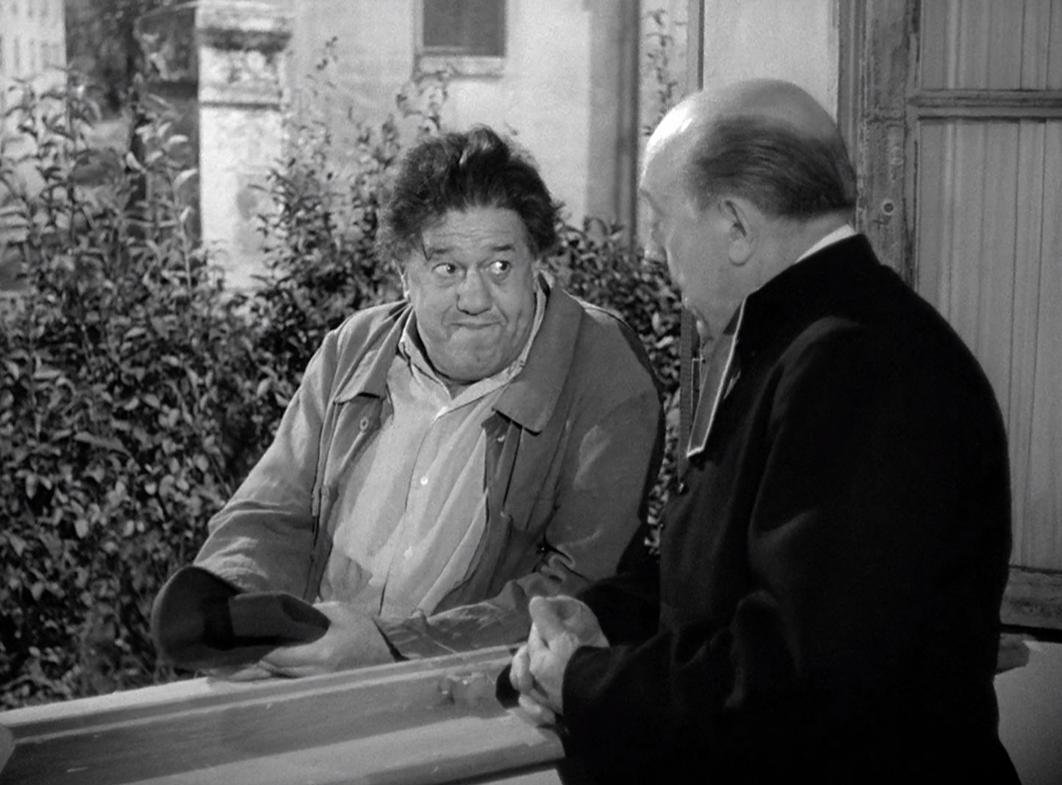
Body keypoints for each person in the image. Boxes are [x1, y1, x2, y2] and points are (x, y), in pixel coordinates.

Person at [509, 79, 1019, 784]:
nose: (653, 253)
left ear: (736, 227)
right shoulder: (817, 339)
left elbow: (796, 679)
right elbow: (732, 578)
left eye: (659, 219)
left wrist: (587, 681)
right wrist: (606, 622)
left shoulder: (856, 365)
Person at [183, 126, 662, 678]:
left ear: (537, 263)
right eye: (447, 269)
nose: (475, 298)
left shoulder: (604, 369)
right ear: (403, 273)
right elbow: (269, 514)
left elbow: (582, 590)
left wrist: (394, 647)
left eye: (500, 267)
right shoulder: (354, 347)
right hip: (309, 678)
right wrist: (237, 623)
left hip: (475, 696)